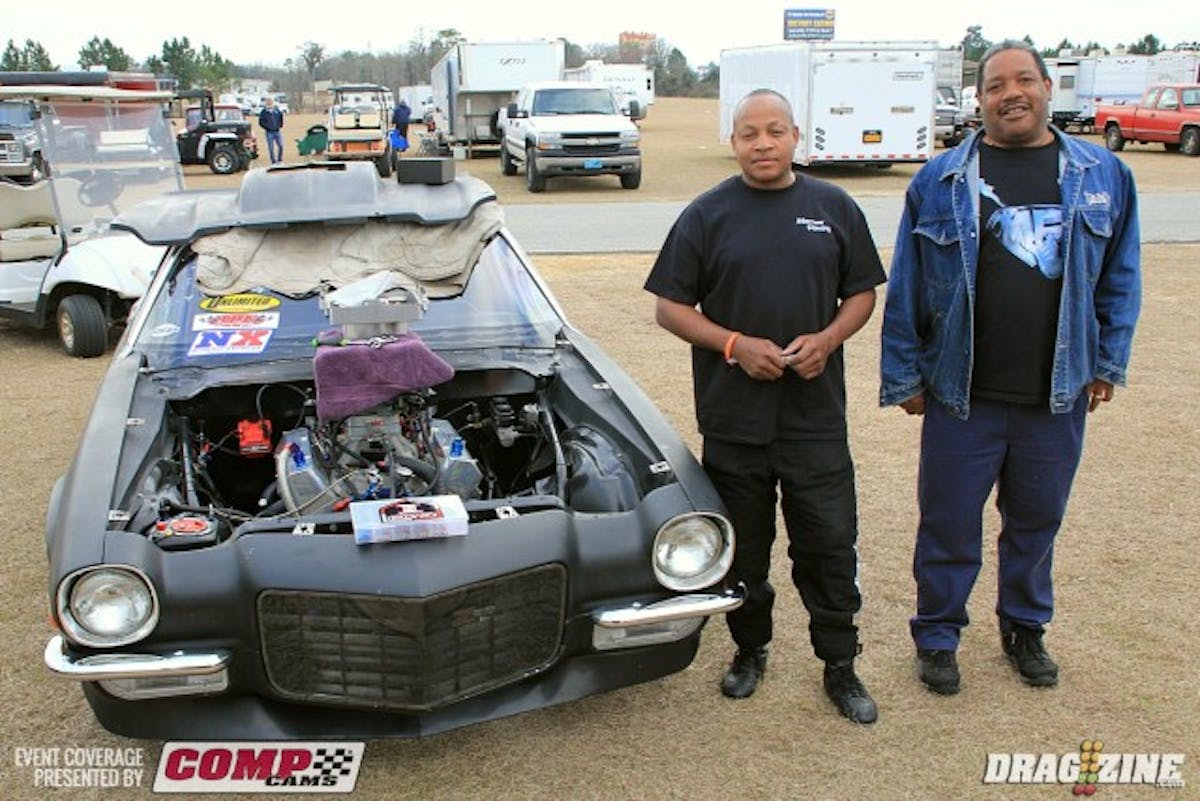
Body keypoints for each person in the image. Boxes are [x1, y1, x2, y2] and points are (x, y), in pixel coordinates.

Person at [879, 40, 1141, 696]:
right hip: (961, 392)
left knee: (1036, 518)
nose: (1011, 93)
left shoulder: (1103, 174)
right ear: (980, 99)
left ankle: (1025, 626)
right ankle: (938, 633)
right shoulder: (938, 179)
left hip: (1057, 394)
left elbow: (1121, 276)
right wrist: (908, 377)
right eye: (996, 84)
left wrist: (1107, 360)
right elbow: (908, 284)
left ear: (1049, 88)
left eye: (1024, 79)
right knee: (947, 521)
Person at [644, 88, 885, 724]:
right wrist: (732, 344)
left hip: (815, 423)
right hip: (733, 424)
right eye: (749, 133)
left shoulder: (833, 206)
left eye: (774, 131)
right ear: (734, 142)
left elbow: (862, 292)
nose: (763, 143)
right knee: (744, 552)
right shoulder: (706, 214)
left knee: (829, 547)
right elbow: (669, 306)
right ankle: (751, 650)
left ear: (795, 136)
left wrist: (829, 340)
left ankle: (840, 664)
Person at [258, 96, 284, 164]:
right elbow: (261, 122)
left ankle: (280, 160)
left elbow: (281, 118)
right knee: (271, 147)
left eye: (271, 101)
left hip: (277, 131)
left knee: (281, 145)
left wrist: (280, 125)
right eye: (268, 101)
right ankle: (273, 161)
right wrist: (267, 127)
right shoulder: (263, 112)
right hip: (269, 132)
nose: (269, 102)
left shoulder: (277, 110)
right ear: (266, 102)